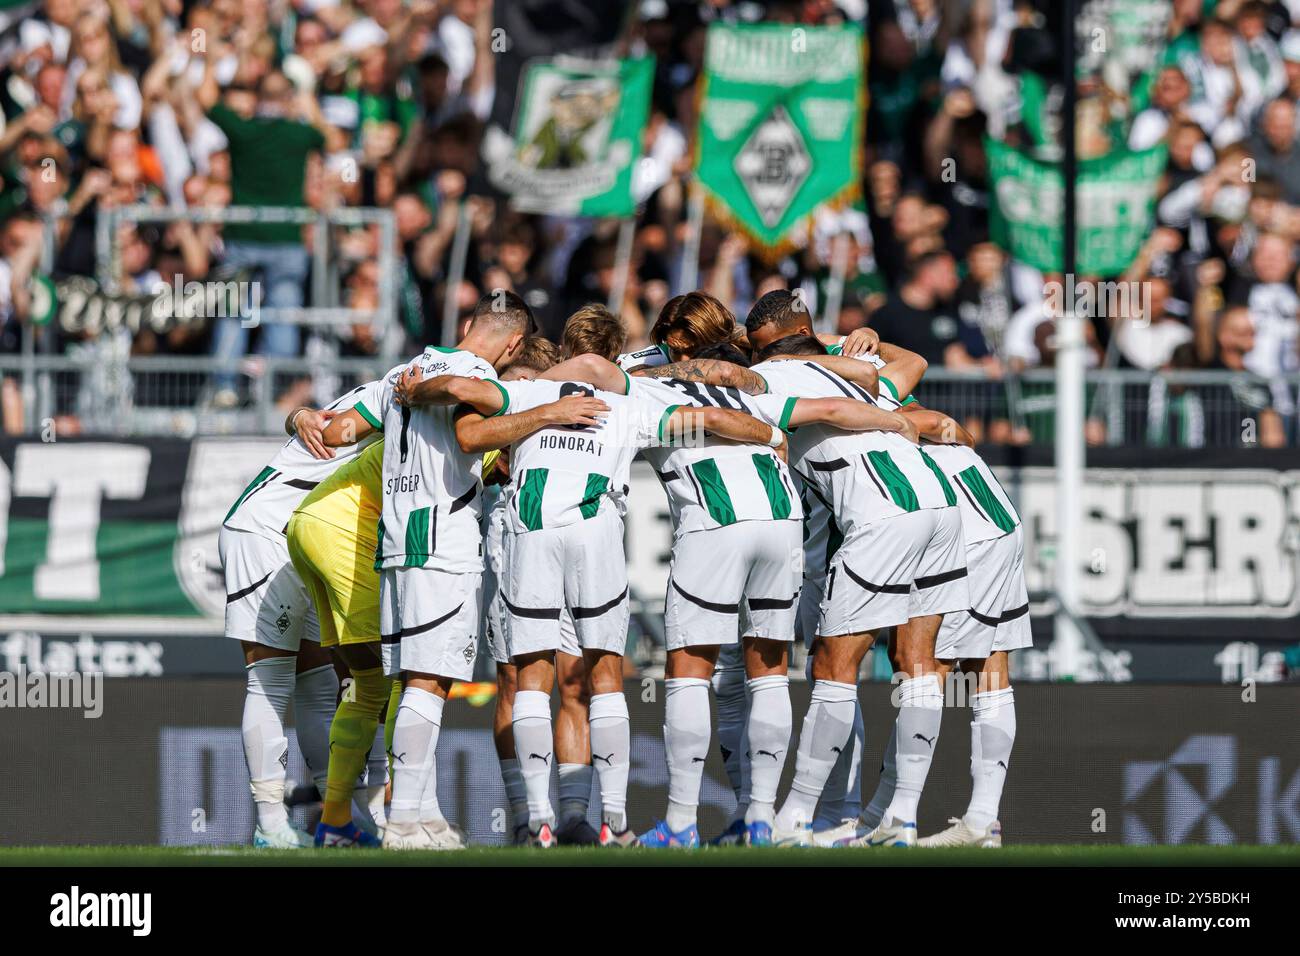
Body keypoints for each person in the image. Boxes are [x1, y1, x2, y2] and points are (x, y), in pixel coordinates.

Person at [219, 377, 396, 849]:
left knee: (320, 685)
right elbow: (326, 427)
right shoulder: (407, 389)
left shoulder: (407, 387)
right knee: (270, 678)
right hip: (267, 530)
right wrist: (297, 416)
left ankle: (345, 818)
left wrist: (298, 416)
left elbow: (316, 421)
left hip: (309, 537)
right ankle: (271, 824)